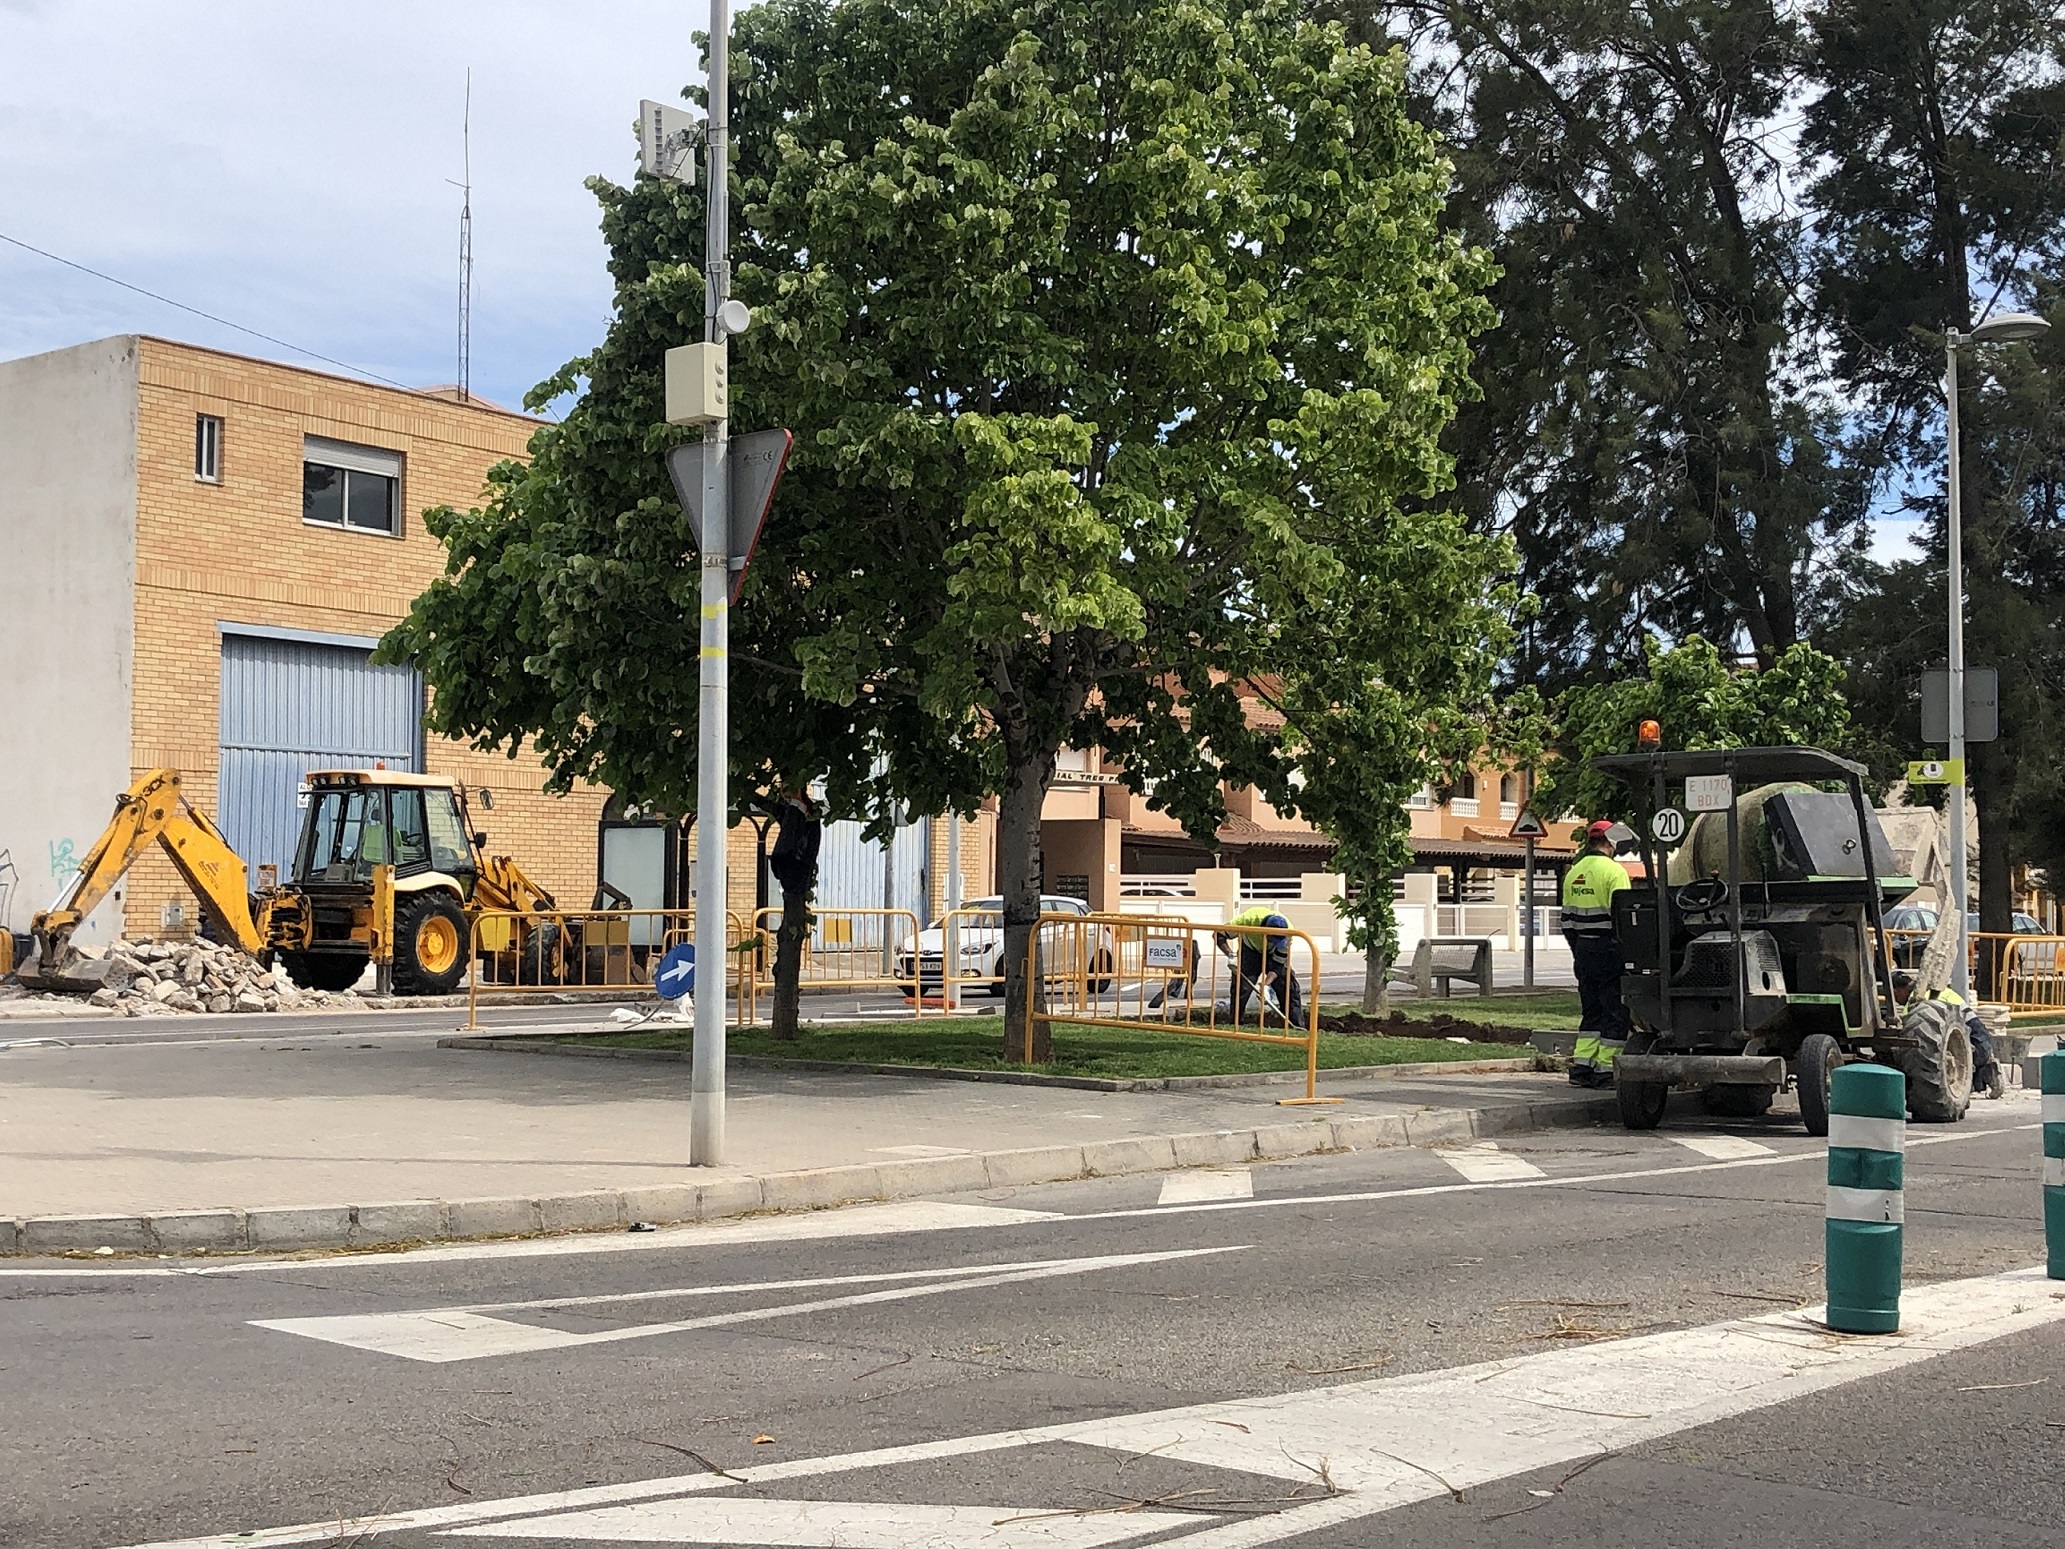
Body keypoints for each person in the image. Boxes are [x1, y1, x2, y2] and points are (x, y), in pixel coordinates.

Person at [1562, 820, 1631, 1088]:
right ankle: (1606, 1070)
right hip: (1610, 949)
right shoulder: (1615, 872)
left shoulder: (1574, 872)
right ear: (1610, 842)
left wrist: (1578, 950)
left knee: (1591, 1011)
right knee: (1615, 1011)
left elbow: (1567, 922)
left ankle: (1582, 1067)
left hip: (1583, 949)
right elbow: (1624, 919)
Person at [1891, 969, 2003, 1099]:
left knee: (1974, 1056)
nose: (1896, 1001)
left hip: (1965, 1025)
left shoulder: (1916, 1003)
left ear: (1897, 990)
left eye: (1894, 996)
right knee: (1975, 1054)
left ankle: (1989, 1071)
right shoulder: (1935, 989)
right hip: (1964, 1023)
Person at [1215, 905, 1304, 1026]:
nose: (1274, 941)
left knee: (1288, 984)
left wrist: (1265, 985)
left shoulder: (1289, 932)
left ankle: (1295, 1024)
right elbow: (1219, 935)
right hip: (1250, 950)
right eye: (1273, 938)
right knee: (1242, 987)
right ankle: (1235, 1023)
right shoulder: (1247, 920)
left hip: (1273, 953)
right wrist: (1231, 955)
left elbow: (1278, 964)